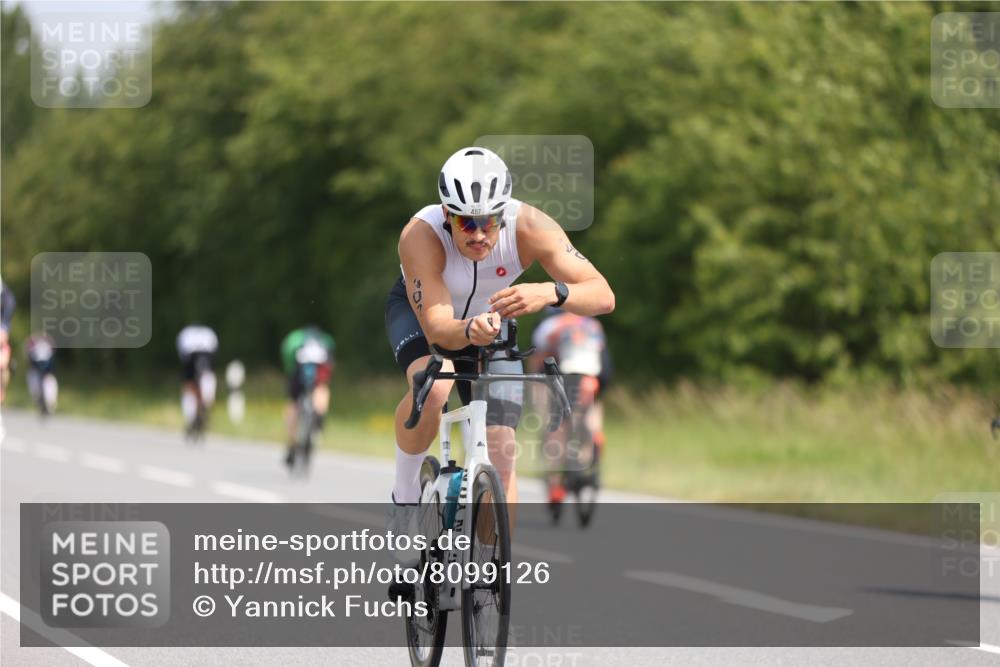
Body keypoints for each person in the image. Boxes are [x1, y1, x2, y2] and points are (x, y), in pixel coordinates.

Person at [384, 146, 615, 553]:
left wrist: (550, 291)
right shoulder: (421, 234)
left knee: (503, 446)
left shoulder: (531, 226)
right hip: (429, 314)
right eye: (465, 223)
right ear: (446, 214)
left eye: (488, 222)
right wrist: (469, 330)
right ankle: (403, 499)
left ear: (503, 213)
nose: (478, 235)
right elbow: (440, 330)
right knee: (435, 385)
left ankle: (492, 567)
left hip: (493, 321)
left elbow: (602, 294)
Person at [530, 307, 611, 506]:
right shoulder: (592, 323)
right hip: (594, 374)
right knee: (590, 407)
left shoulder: (548, 326)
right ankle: (594, 435)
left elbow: (537, 362)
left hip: (561, 373)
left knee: (556, 426)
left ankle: (556, 484)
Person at [280, 325, 335, 467]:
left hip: (298, 367)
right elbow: (330, 361)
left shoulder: (295, 338)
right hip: (320, 365)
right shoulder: (326, 339)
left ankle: (292, 443)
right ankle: (320, 415)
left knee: (293, 403)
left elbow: (287, 358)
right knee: (322, 388)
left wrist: (290, 374)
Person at [176, 323, 218, 437]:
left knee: (189, 385)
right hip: (207, 358)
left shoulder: (186, 334)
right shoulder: (209, 334)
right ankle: (204, 406)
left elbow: (183, 356)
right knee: (207, 378)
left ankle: (193, 414)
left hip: (191, 356)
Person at [24, 332, 58, 416]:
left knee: (50, 385)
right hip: (35, 370)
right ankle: (40, 403)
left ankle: (49, 405)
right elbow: (27, 353)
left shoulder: (49, 343)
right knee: (35, 388)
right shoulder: (32, 343)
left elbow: (53, 349)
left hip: (47, 371)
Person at [0, 279, 15, 408]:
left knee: (3, 365)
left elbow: (5, 325)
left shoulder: (7, 297)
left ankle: (2, 390)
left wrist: (3, 331)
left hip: (1, 334)